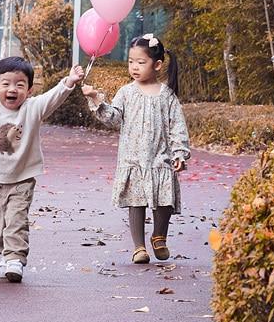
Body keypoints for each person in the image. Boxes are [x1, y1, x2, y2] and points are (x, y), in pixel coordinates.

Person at [0, 56, 85, 282]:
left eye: (20, 84)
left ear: (29, 90)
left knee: (16, 220)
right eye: (6, 84)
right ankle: (4, 255)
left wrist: (68, 82)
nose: (12, 89)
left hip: (22, 180)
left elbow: (52, 98)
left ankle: (15, 259)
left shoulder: (32, 109)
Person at [81, 34, 191, 265]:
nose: (134, 67)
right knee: (136, 201)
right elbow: (113, 118)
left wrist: (180, 152)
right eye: (131, 61)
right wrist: (96, 100)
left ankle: (159, 236)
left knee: (164, 200)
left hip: (161, 158)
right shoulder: (126, 92)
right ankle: (139, 247)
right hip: (134, 159)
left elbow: (177, 126)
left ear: (157, 64)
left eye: (141, 62)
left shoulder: (167, 96)